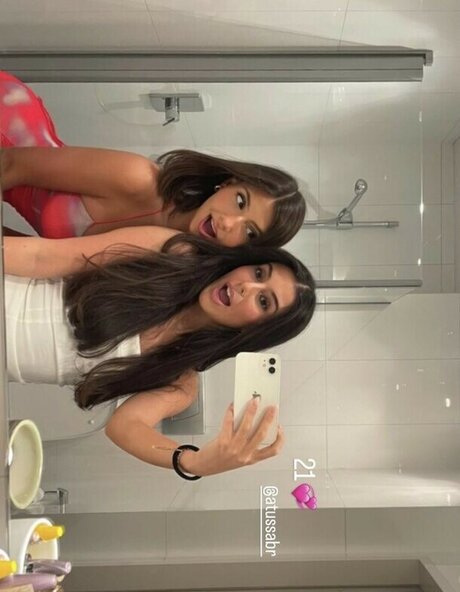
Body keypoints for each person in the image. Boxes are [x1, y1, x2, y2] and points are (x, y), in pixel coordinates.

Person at [4, 228, 316, 479]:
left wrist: (195, 462)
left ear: (257, 331)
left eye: (264, 302)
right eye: (259, 273)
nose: (248, 286)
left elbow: (125, 427)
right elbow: (42, 256)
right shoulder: (171, 251)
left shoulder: (179, 382)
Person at [0, 71, 306, 247]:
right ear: (227, 184)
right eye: (240, 202)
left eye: (250, 232)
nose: (229, 223)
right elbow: (10, 164)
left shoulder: (167, 254)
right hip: (8, 125)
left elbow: (32, 253)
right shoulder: (139, 178)